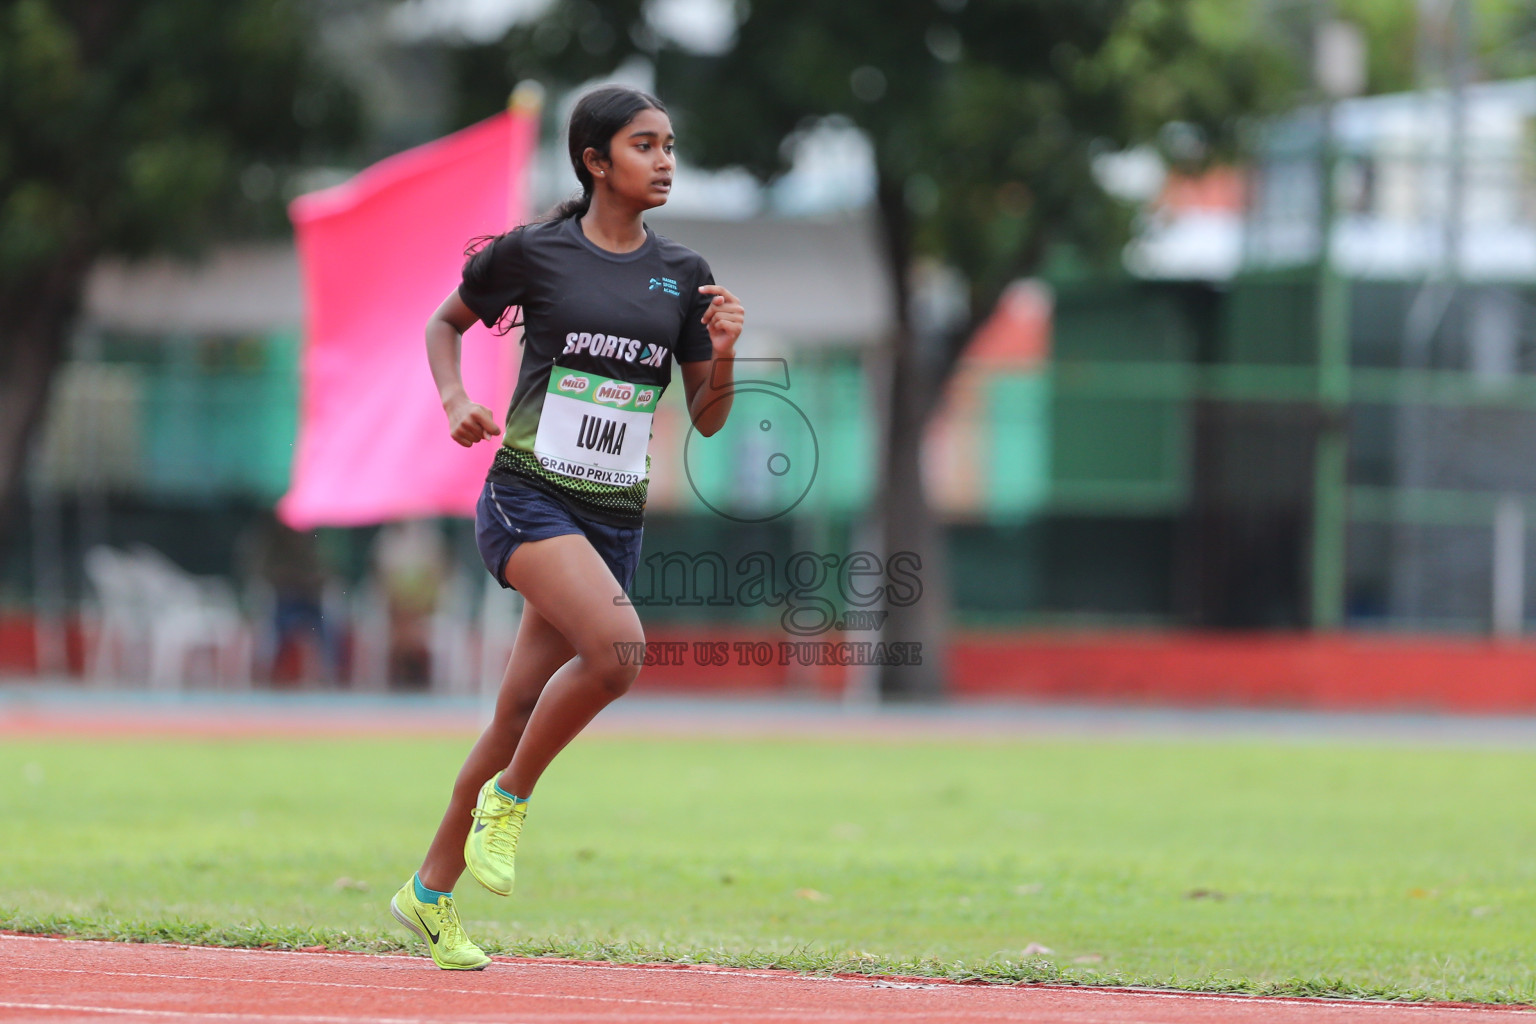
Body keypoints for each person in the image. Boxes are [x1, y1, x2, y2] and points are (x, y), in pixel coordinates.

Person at [389, 84, 745, 970]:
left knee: (515, 708)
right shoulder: (536, 253)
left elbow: (708, 420)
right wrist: (455, 398)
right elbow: (444, 323)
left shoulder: (684, 274)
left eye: (669, 144)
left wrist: (726, 349)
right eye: (645, 145)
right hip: (528, 495)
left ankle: (428, 893)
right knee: (620, 651)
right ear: (595, 161)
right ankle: (508, 804)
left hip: (612, 515)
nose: (665, 160)